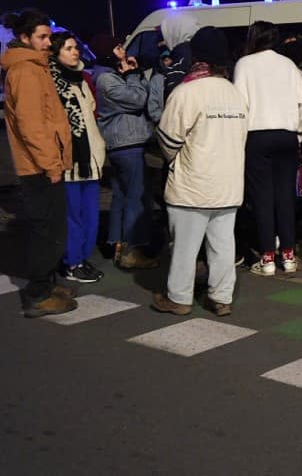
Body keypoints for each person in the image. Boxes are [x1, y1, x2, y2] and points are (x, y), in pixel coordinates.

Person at [152, 21, 248, 317]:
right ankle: (221, 297)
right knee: (223, 245)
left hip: (192, 184)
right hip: (229, 184)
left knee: (184, 246)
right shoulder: (234, 93)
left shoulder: (187, 92)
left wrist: (175, 161)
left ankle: (179, 297)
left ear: (196, 55)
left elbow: (168, 139)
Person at [1, 8, 77, 317]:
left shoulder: (35, 67)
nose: (48, 43)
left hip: (44, 163)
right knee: (49, 230)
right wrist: (51, 164)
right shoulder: (26, 71)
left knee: (52, 228)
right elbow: (32, 126)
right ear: (24, 38)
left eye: (49, 36)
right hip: (40, 167)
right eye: (42, 37)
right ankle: (38, 293)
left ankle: (47, 283)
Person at [233, 21, 302, 276]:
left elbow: (240, 105)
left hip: (256, 136)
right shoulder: (289, 65)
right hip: (287, 135)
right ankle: (288, 254)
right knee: (285, 196)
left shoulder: (244, 64)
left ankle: (267, 256)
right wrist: (298, 135)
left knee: (262, 197)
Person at [48, 31, 107, 283]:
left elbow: (92, 116)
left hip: (90, 158)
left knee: (90, 214)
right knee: (73, 215)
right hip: (69, 161)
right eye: (68, 48)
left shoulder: (82, 80)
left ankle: (82, 258)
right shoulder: (52, 83)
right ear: (56, 53)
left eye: (75, 47)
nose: (75, 52)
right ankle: (72, 262)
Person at [96, 39, 158, 269]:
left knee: (122, 196)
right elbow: (138, 99)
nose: (125, 51)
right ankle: (132, 248)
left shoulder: (113, 76)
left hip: (126, 143)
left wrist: (135, 73)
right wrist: (133, 75)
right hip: (126, 143)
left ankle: (117, 244)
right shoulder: (106, 79)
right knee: (136, 197)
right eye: (119, 48)